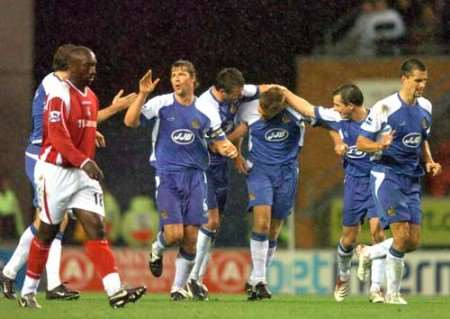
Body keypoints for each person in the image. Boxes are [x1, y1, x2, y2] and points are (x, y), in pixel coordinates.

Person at [0, 44, 136, 301]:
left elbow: (82, 117)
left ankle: (27, 278)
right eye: (86, 65)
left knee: (55, 222)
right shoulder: (55, 86)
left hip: (67, 157)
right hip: (43, 154)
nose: (91, 71)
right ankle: (33, 281)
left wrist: (93, 125)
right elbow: (60, 125)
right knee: (50, 221)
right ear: (67, 67)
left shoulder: (79, 91)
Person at [123, 60, 238, 301]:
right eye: (173, 74)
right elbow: (130, 121)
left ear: (193, 80)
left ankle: (177, 288)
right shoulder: (161, 103)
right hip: (167, 176)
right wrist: (143, 94)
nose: (176, 79)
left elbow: (218, 139)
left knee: (191, 238)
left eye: (182, 74)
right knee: (174, 235)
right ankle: (157, 248)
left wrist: (227, 148)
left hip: (196, 177)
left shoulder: (206, 110)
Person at [277, 84, 387, 303]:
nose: (334, 108)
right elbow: (308, 110)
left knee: (378, 233)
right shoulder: (337, 118)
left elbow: (389, 144)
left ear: (351, 106)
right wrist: (285, 93)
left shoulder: (377, 118)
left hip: (377, 179)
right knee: (349, 238)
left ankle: (376, 288)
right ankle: (343, 277)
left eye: (338, 105)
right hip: (354, 182)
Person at [355, 58, 441, 304]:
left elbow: (422, 138)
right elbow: (361, 142)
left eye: (425, 80)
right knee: (401, 236)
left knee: (413, 241)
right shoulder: (385, 107)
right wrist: (379, 145)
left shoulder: (426, 106)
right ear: (404, 79)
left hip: (412, 176)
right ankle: (392, 293)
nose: (422, 85)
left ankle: (369, 252)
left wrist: (429, 161)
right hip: (387, 175)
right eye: (417, 80)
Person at [186, 68, 261, 300]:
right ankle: (190, 279)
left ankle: (196, 279)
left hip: (221, 167)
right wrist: (243, 131)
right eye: (235, 95)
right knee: (212, 220)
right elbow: (220, 143)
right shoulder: (206, 107)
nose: (239, 98)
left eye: (241, 93)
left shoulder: (234, 94)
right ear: (221, 91)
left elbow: (264, 90)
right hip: (204, 165)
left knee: (213, 227)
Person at [231, 87, 306, 300]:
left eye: (265, 111)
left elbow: (322, 121)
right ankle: (260, 279)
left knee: (273, 231)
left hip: (287, 174)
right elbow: (234, 136)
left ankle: (256, 277)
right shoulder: (250, 110)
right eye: (260, 107)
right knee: (261, 223)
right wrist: (236, 155)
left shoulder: (296, 116)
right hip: (259, 172)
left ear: (279, 109)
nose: (260, 112)